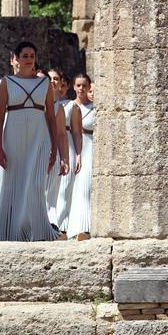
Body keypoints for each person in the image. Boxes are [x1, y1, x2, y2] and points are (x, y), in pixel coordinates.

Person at [0, 41, 68, 242]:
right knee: (9, 183)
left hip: (39, 137)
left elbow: (50, 118)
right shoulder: (5, 83)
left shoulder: (44, 83)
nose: (29, 59)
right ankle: (4, 231)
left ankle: (37, 230)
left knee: (36, 184)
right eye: (25, 56)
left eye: (32, 56)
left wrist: (54, 148)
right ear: (16, 59)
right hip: (12, 136)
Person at [45, 68, 81, 232]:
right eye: (50, 78)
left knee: (60, 189)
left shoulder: (67, 106)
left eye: (56, 79)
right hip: (41, 145)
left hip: (61, 145)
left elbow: (71, 132)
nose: (53, 82)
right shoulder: (39, 102)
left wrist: (69, 156)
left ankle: (60, 226)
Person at [67, 73, 95, 241]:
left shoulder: (96, 107)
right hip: (75, 147)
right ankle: (77, 228)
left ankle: (88, 227)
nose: (82, 89)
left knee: (88, 185)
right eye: (78, 85)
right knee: (77, 187)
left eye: (85, 85)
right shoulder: (70, 106)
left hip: (92, 147)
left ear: (89, 87)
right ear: (74, 87)